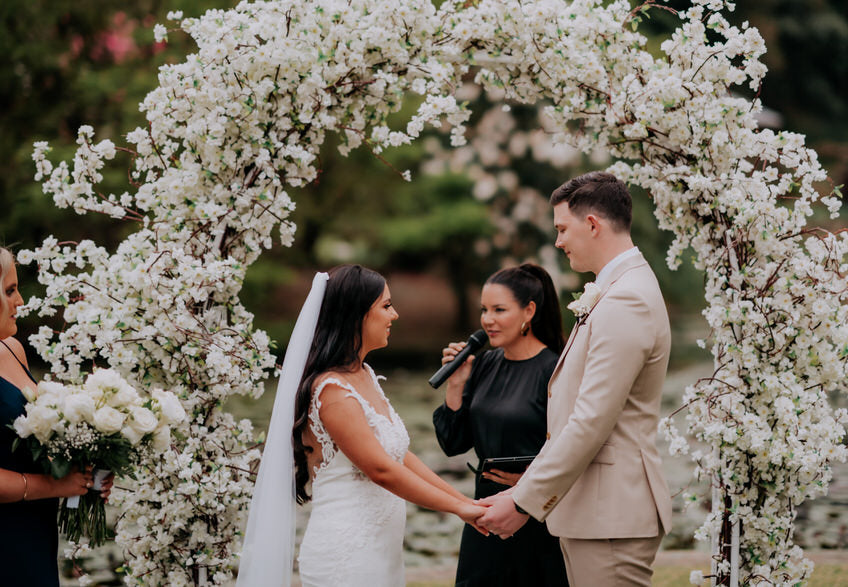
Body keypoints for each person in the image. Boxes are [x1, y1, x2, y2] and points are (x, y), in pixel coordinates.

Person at [477, 171, 672, 586]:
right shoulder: (617, 289)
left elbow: (591, 419)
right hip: (595, 512)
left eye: (563, 229)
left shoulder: (627, 299)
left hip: (611, 516)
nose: (558, 241)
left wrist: (523, 501)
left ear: (593, 224)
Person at [237, 264, 487, 587]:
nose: (394, 314)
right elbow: (380, 469)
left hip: (381, 551)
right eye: (385, 305)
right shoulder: (332, 391)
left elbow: (400, 456)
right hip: (348, 554)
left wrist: (467, 502)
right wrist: (458, 509)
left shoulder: (364, 374)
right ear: (356, 315)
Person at [433, 263, 569, 587]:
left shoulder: (556, 371)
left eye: (499, 309)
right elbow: (453, 443)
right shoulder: (485, 364)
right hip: (485, 512)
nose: (487, 320)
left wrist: (529, 484)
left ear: (529, 311)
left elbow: (571, 446)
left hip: (536, 516)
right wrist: (456, 385)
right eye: (484, 310)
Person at [0, 246, 101, 586]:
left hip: (34, 531)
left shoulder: (12, 350)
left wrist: (87, 471)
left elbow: (30, 440)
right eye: (10, 291)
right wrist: (55, 485)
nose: (21, 302)